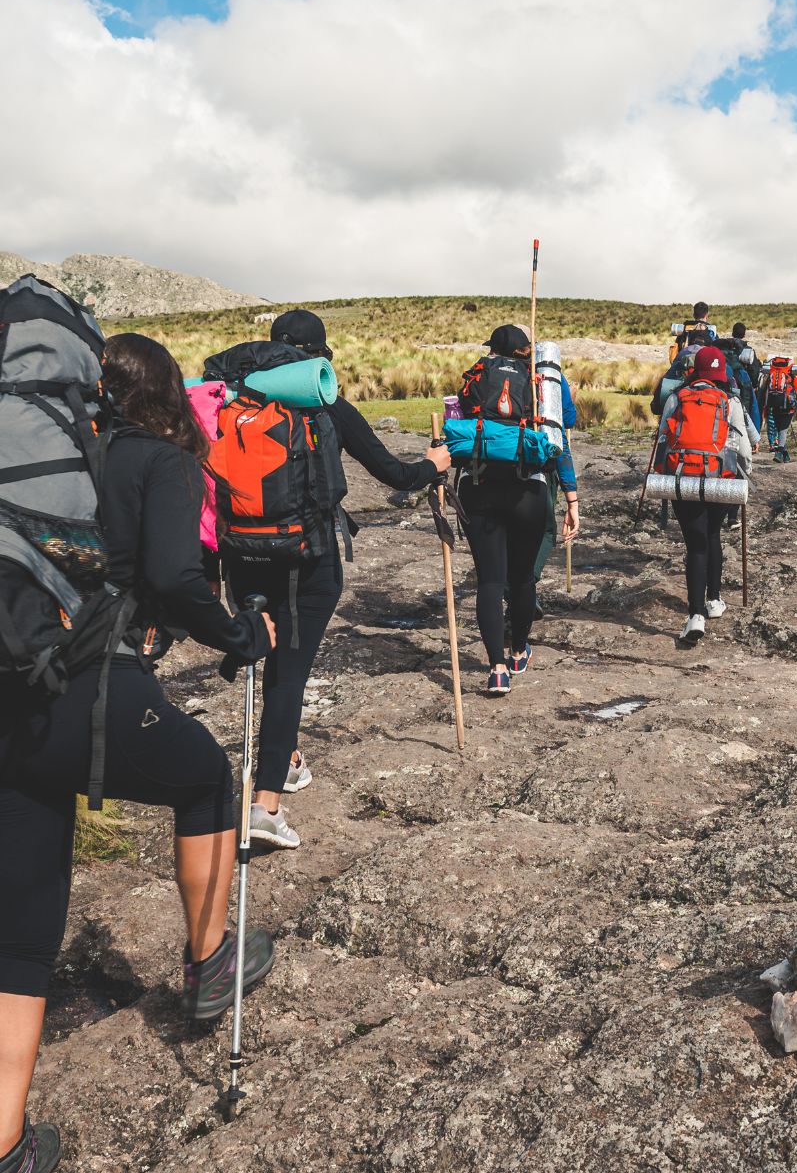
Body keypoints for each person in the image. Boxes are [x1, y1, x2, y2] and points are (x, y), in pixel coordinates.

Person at [0, 333, 277, 1173]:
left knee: (20, 936)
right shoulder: (160, 461)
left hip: (12, 697)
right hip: (90, 688)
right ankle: (210, 964)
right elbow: (171, 575)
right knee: (206, 780)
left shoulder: (53, 458)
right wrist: (240, 636)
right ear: (166, 394)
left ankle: (4, 1158)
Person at [222, 310, 452, 850]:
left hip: (242, 556)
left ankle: (287, 758)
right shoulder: (326, 405)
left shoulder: (231, 404)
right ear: (318, 357)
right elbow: (395, 474)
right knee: (288, 675)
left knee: (275, 660)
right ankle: (265, 805)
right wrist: (433, 464)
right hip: (308, 559)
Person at [458, 325, 579, 696]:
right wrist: (572, 498)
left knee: (490, 581)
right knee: (523, 578)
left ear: (493, 350)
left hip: (478, 484)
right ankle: (518, 651)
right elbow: (561, 433)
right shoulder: (543, 383)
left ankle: (496, 670)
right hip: (528, 488)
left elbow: (462, 422)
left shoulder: (477, 376)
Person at [653, 346, 753, 643]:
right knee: (713, 536)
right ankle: (715, 600)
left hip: (683, 478)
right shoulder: (730, 401)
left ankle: (695, 616)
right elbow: (744, 449)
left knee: (696, 545)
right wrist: (743, 476)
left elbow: (663, 438)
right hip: (718, 480)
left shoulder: (676, 397)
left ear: (696, 370)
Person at [530, 368, 580, 595]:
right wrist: (572, 500)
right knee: (545, 532)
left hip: (489, 465)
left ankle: (516, 590)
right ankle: (523, 590)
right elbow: (567, 420)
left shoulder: (487, 372)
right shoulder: (550, 373)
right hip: (540, 468)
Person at [758, 355, 797, 462]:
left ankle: (785, 454)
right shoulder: (792, 377)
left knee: (780, 429)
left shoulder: (771, 376)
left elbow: (763, 392)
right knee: (783, 429)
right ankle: (779, 453)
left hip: (774, 406)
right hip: (789, 408)